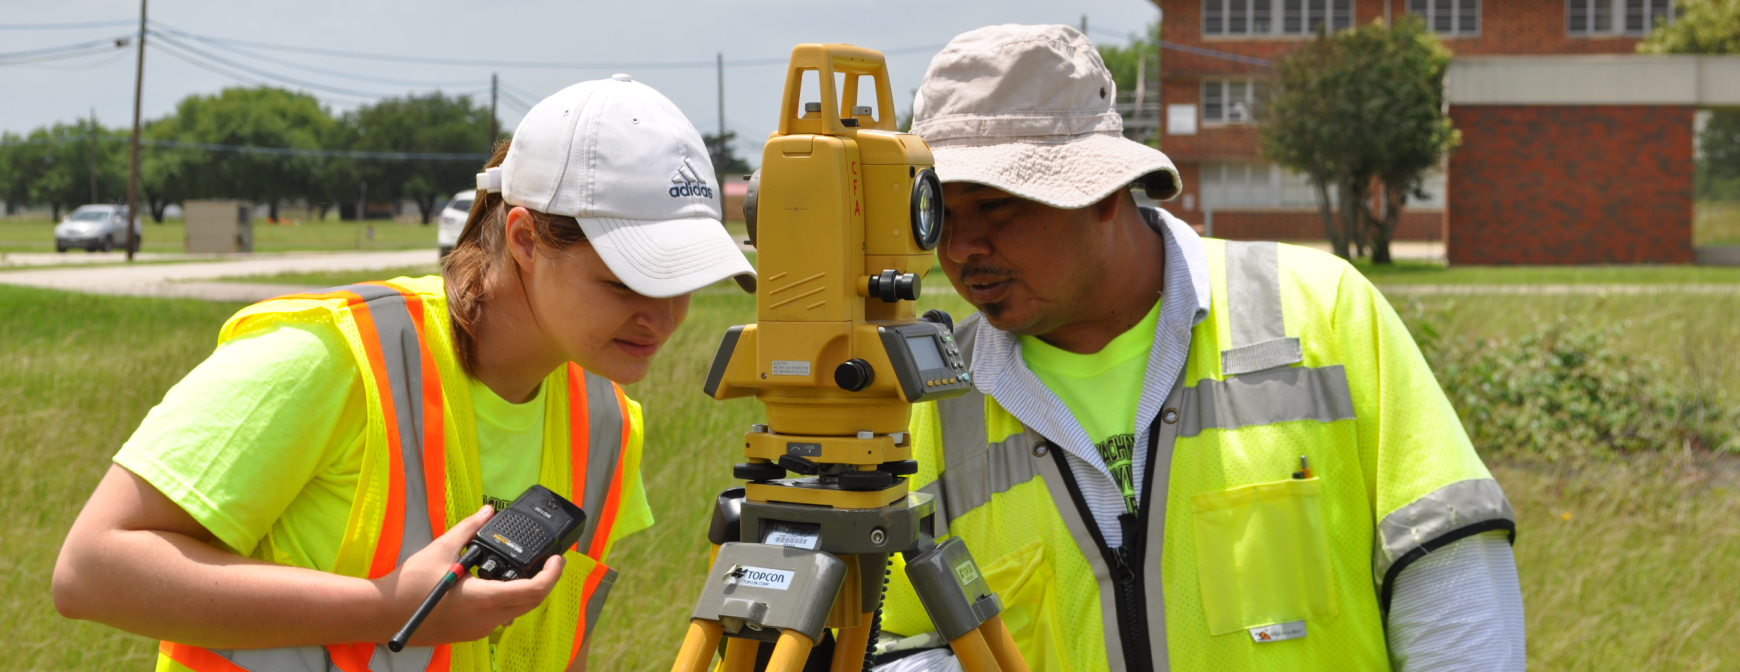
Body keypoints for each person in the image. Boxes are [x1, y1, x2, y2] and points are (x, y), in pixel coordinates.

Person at [869, 25, 1525, 672]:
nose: (961, 251)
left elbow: (1452, 586)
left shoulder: (1318, 311)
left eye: (997, 209)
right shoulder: (939, 400)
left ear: (1099, 192)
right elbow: (908, 643)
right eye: (943, 217)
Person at [51, 74, 755, 672]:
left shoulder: (604, 425)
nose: (662, 320)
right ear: (524, 239)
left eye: (684, 282)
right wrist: (387, 606)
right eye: (628, 282)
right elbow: (91, 572)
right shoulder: (330, 355)